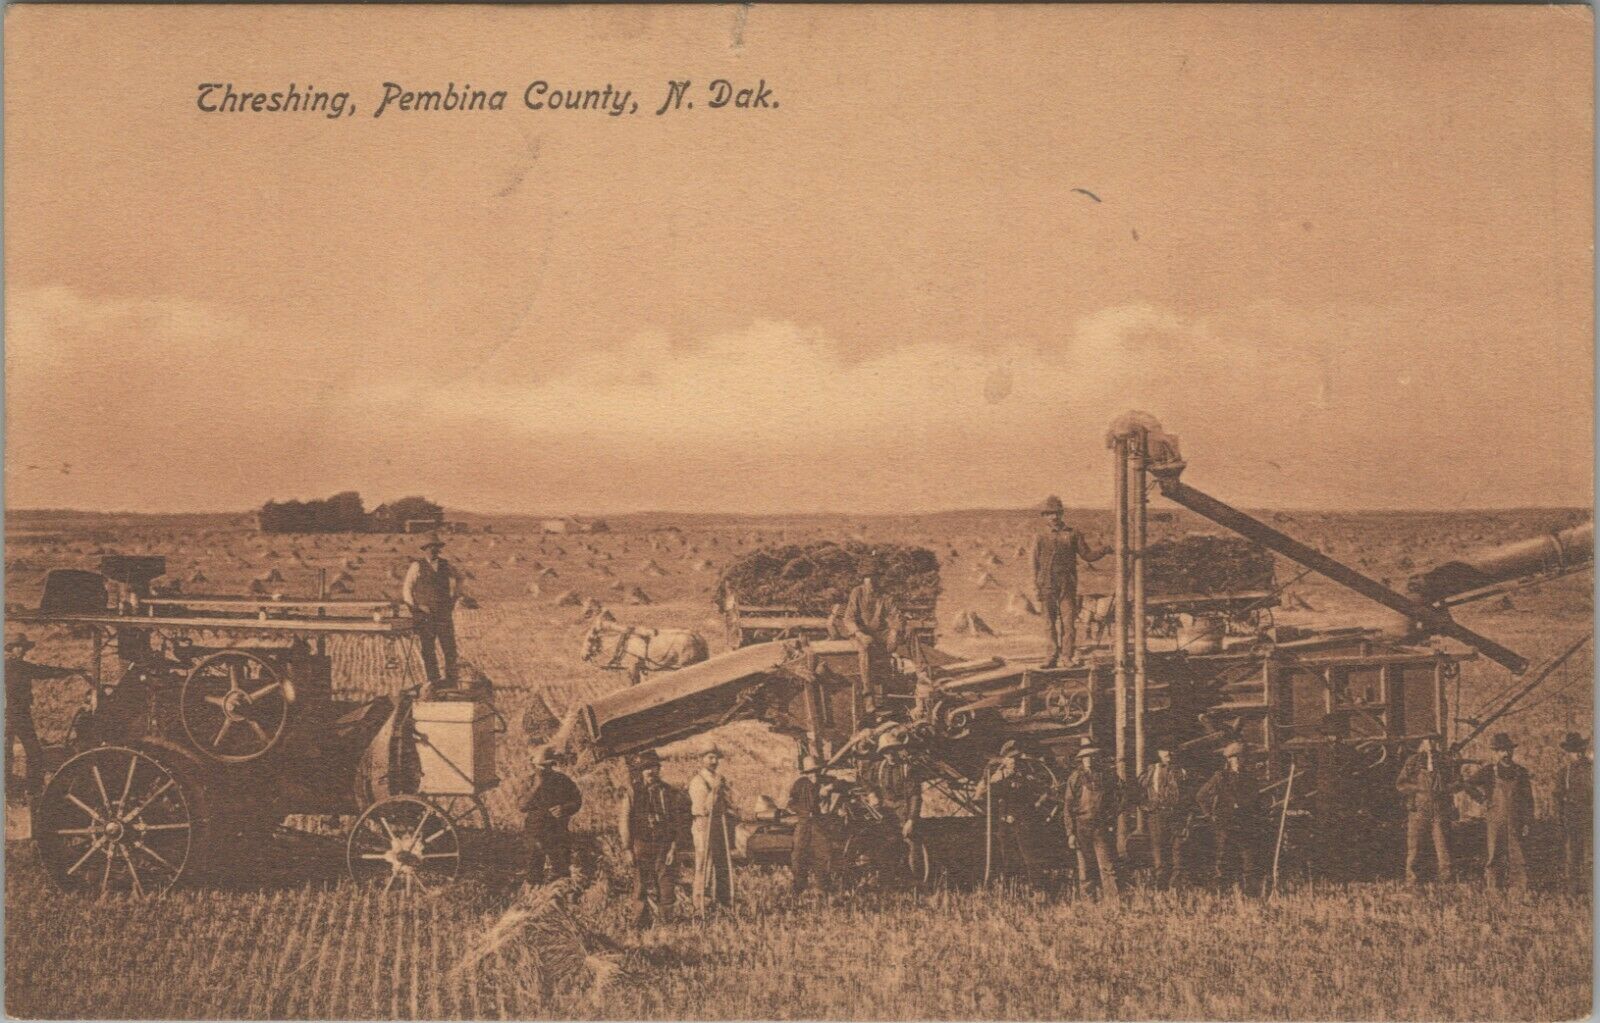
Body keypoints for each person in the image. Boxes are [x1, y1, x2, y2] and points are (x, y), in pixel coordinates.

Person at [1031, 496, 1110, 668]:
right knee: (1049, 624)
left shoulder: (1073, 534)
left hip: (1067, 585)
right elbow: (1034, 564)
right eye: (1049, 514)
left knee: (1068, 624)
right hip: (1046, 585)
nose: (1053, 517)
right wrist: (1035, 587)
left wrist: (1104, 550)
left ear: (1061, 514)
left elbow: (1087, 555)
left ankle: (1067, 657)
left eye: (1056, 513)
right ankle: (1051, 657)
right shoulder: (1040, 536)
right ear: (1044, 516)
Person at [618, 749, 683, 928]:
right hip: (641, 845)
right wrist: (627, 849)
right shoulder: (632, 792)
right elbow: (624, 821)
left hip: (663, 846)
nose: (651, 771)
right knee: (641, 885)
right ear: (641, 771)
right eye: (646, 768)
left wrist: (673, 847)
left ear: (658, 769)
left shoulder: (668, 792)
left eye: (654, 767)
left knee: (666, 885)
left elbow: (676, 822)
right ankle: (640, 924)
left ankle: (667, 923)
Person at [4, 636, 74, 802]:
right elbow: (44, 671)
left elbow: (44, 671)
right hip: (11, 714)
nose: (21, 650)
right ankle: (23, 791)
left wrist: (71, 672)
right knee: (15, 752)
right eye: (17, 647)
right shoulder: (12, 666)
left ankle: (27, 791)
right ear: (11, 649)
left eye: (23, 647)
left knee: (29, 752)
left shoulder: (21, 666)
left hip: (19, 714)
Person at [978, 739, 1057, 884]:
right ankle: (1013, 886)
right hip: (1004, 822)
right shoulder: (997, 775)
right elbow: (980, 795)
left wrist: (1036, 805)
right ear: (1004, 759)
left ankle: (1038, 888)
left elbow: (1046, 791)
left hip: (1024, 822)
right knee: (1007, 856)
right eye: (1010, 758)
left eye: (1016, 758)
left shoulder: (1027, 775)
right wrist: (995, 779)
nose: (1013, 761)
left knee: (1030, 856)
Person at [1196, 741, 1265, 895]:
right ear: (1229, 760)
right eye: (1236, 758)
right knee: (1223, 857)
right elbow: (1200, 796)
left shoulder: (1250, 778)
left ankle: (1251, 893)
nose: (1239, 761)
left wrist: (1256, 815)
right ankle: (1220, 892)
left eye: (1242, 757)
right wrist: (1210, 815)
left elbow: (1257, 801)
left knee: (1249, 858)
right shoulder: (1220, 777)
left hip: (1245, 822)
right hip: (1224, 823)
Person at [1469, 733, 1534, 892]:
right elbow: (1468, 784)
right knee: (1494, 855)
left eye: (1508, 750)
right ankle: (1494, 889)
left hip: (1516, 821)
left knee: (1517, 856)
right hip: (1495, 820)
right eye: (1501, 750)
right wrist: (1482, 800)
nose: (1506, 753)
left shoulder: (1521, 772)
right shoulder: (1489, 771)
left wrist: (1527, 822)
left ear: (1512, 751)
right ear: (1496, 752)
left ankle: (1518, 890)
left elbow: (1528, 800)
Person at [401, 535, 464, 691]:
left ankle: (451, 680)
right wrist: (416, 607)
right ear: (425, 550)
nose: (433, 551)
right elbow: (407, 588)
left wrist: (454, 597)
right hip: (426, 615)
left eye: (436, 548)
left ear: (439, 550)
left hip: (443, 613)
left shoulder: (446, 565)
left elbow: (460, 578)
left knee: (449, 647)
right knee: (428, 648)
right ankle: (433, 680)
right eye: (430, 548)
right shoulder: (416, 566)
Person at [1395, 737, 1456, 884]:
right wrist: (1417, 788)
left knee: (1443, 845)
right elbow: (1401, 784)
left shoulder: (1444, 761)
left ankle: (1446, 879)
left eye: (1433, 741)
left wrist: (1445, 789)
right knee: (1415, 846)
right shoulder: (1413, 761)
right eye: (1427, 741)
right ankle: (1412, 879)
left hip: (1439, 808)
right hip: (1419, 808)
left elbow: (1456, 781)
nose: (1430, 744)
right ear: (1422, 743)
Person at [518, 746, 583, 885]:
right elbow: (522, 806)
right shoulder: (529, 782)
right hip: (535, 831)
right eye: (540, 766)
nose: (543, 770)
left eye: (546, 766)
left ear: (552, 765)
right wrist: (536, 787)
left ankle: (560, 890)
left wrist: (564, 808)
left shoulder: (562, 780)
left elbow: (577, 801)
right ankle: (534, 891)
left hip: (557, 831)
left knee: (561, 870)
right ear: (534, 766)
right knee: (533, 870)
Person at [1063, 742, 1121, 896]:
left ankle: (1113, 900)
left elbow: (1118, 798)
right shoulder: (1075, 778)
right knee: (1086, 867)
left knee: (1106, 865)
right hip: (1081, 826)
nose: (1088, 760)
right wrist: (1070, 833)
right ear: (1081, 759)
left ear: (1096, 757)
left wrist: (1111, 818)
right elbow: (1067, 807)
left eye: (1091, 756)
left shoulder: (1105, 776)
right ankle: (1088, 901)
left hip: (1100, 826)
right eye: (1085, 757)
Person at [688, 746, 736, 914]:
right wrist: (715, 790)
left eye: (716, 758)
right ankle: (701, 904)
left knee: (722, 862)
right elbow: (705, 808)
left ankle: (724, 901)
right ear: (702, 758)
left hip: (718, 824)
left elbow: (729, 803)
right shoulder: (698, 781)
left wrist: (727, 794)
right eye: (710, 757)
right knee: (704, 863)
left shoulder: (719, 779)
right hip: (703, 825)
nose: (714, 761)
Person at [843, 566, 898, 709]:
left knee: (909, 633)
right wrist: (859, 634)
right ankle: (868, 695)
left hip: (880, 633)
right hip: (860, 633)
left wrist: (893, 632)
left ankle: (922, 672)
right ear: (864, 579)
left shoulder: (885, 595)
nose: (871, 581)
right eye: (868, 577)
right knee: (865, 648)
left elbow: (896, 615)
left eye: (874, 577)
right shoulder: (857, 592)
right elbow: (848, 618)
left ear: (878, 579)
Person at [1138, 743, 1190, 889]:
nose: (1168, 753)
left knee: (1178, 847)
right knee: (1159, 849)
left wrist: (1185, 812)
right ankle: (1160, 885)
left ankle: (1176, 885)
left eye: (1170, 750)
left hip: (1175, 814)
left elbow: (1187, 793)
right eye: (1164, 750)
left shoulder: (1181, 771)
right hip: (1157, 814)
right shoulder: (1150, 771)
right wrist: (1146, 806)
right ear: (1158, 753)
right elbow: (1139, 790)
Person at [787, 754, 835, 894]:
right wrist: (802, 811)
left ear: (820, 771)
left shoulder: (826, 781)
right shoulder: (800, 784)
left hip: (819, 824)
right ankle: (799, 887)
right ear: (806, 773)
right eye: (810, 772)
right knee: (798, 855)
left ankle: (822, 888)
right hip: (803, 823)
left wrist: (830, 787)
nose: (813, 775)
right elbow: (791, 803)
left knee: (822, 854)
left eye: (815, 771)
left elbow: (843, 783)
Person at [1553, 732, 1592, 895]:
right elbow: (1557, 799)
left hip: (1591, 819)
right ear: (1568, 753)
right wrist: (1560, 821)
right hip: (1572, 820)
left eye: (1581, 750)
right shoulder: (1564, 773)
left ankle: (1592, 894)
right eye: (1575, 751)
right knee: (1572, 858)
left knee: (1590, 858)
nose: (1579, 754)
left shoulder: (1592, 770)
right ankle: (1573, 895)